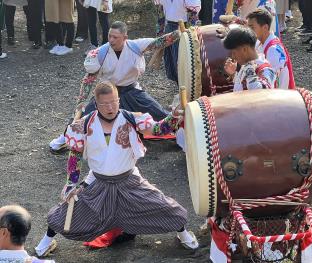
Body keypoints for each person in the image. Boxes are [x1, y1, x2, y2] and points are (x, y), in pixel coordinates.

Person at [35, 81, 199, 257]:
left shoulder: (131, 118)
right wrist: (70, 184)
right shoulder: (82, 125)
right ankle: (45, 242)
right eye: (105, 104)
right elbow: (74, 155)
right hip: (98, 181)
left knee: (165, 207)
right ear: (96, 104)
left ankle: (183, 234)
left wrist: (173, 117)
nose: (110, 107)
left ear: (119, 101)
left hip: (129, 180)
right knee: (66, 211)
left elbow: (158, 129)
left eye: (113, 102)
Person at [49, 21, 179, 153]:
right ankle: (65, 138)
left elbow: (161, 41)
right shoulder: (100, 53)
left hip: (132, 91)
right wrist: (81, 101)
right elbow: (89, 79)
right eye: (109, 36)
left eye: (115, 37)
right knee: (84, 117)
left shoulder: (136, 46)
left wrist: (180, 33)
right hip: (108, 93)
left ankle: (182, 135)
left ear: (125, 38)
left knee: (159, 113)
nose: (111, 40)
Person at [155, 0, 201, 84]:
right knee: (171, 59)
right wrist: (160, 32)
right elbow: (160, 11)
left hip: (184, 27)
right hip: (168, 26)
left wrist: (191, 35)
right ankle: (178, 84)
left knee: (183, 59)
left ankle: (186, 86)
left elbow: (193, 15)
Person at [247, 9, 295, 89]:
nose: (248, 31)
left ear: (265, 27)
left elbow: (271, 82)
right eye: (248, 27)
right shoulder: (260, 42)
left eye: (252, 27)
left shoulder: (273, 50)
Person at [222, 25, 276, 91]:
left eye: (234, 52)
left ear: (244, 49)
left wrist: (249, 68)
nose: (233, 56)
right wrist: (233, 74)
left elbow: (259, 93)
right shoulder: (245, 65)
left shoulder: (266, 69)